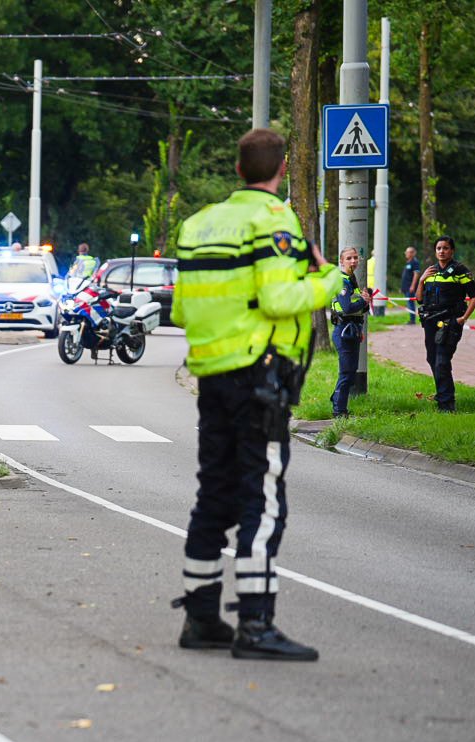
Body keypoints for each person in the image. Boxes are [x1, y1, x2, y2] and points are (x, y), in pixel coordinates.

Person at [169, 127, 341, 661]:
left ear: (239, 169)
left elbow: (180, 310)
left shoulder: (197, 224)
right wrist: (330, 278)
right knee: (261, 501)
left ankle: (201, 618)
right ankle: (256, 624)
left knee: (214, 493)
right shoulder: (274, 221)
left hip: (211, 376)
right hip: (259, 379)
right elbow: (279, 295)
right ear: (282, 169)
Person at [413, 236, 475, 414]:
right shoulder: (431, 271)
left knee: (442, 361)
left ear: (452, 251)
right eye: (439, 248)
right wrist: (421, 280)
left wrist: (463, 318)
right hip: (430, 321)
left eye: (446, 248)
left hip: (450, 322)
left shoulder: (460, 270)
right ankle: (442, 395)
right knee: (432, 359)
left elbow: (474, 296)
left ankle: (447, 404)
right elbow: (419, 299)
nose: (442, 251)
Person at [329, 247, 369, 419]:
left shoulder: (352, 280)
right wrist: (363, 300)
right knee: (346, 373)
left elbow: (360, 309)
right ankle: (339, 411)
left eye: (355, 258)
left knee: (350, 373)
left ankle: (337, 400)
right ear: (341, 261)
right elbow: (346, 308)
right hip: (343, 331)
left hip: (352, 330)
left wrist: (365, 302)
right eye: (348, 258)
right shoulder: (342, 280)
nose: (353, 261)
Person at [400, 245, 421, 324]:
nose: (406, 254)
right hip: (406, 287)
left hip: (410, 287)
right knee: (408, 303)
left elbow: (416, 274)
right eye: (406, 252)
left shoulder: (414, 262)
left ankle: (412, 320)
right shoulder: (408, 262)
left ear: (413, 253)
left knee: (411, 303)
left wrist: (412, 286)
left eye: (408, 252)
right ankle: (411, 319)